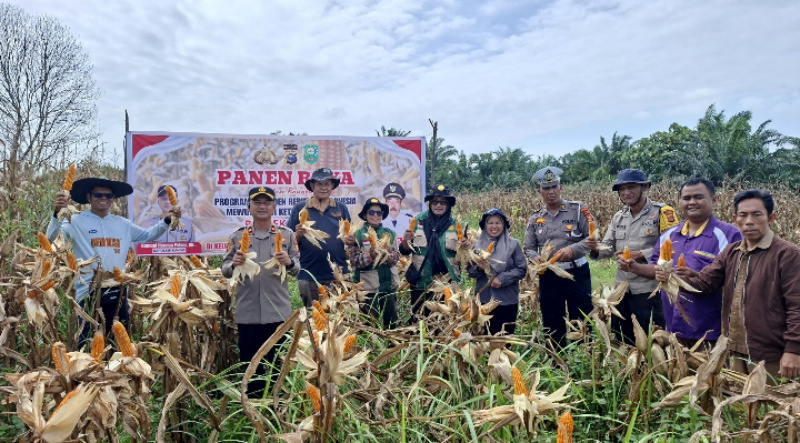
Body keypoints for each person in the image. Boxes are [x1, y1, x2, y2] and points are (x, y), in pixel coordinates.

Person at [657, 189, 800, 381]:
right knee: (738, 406)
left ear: (771, 217)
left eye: (757, 214)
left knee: (772, 405)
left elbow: (797, 306)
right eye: (743, 215)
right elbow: (704, 284)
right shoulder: (732, 252)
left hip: (770, 352)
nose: (749, 221)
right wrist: (676, 279)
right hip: (734, 349)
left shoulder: (787, 255)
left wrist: (793, 350)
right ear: (735, 219)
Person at [48, 177, 174, 342]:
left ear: (113, 199)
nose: (104, 198)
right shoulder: (75, 221)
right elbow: (52, 241)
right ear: (89, 198)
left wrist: (167, 220)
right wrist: (57, 214)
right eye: (98, 195)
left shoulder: (123, 224)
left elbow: (148, 235)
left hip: (118, 289)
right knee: (87, 342)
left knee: (119, 343)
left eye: (108, 196)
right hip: (88, 291)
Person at [623, 178, 741, 348]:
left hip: (711, 330)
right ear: (680, 201)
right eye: (686, 198)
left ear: (714, 200)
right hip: (673, 326)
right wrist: (636, 268)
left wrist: (698, 277)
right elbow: (657, 267)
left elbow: (736, 279)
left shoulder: (729, 235)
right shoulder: (668, 235)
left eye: (698, 197)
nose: (692, 202)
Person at [586, 169, 680, 344]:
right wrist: (595, 248)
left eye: (631, 187)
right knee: (623, 337)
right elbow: (608, 247)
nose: (626, 193)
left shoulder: (662, 212)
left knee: (651, 338)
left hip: (648, 289)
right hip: (622, 290)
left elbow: (673, 246)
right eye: (622, 189)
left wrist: (642, 254)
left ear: (645, 187)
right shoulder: (619, 217)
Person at [222, 186, 300, 396]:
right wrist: (234, 264)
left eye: (267, 202)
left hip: (278, 314)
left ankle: (278, 407)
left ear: (274, 207)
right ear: (249, 207)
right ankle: (252, 409)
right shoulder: (238, 237)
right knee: (250, 367)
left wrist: (289, 262)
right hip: (248, 314)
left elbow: (297, 269)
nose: (262, 206)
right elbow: (225, 269)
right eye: (257, 202)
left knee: (278, 366)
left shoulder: (286, 235)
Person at [523, 167, 593, 347]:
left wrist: (573, 249)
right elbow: (528, 248)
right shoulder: (535, 218)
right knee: (552, 317)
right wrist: (535, 258)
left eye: (554, 186)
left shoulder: (578, 210)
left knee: (582, 315)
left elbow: (592, 238)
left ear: (561, 188)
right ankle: (556, 358)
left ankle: (584, 355)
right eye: (546, 188)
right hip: (549, 274)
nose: (551, 191)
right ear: (540, 192)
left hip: (577, 271)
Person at [400, 184, 471, 319]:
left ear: (449, 205)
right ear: (430, 204)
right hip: (421, 282)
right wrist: (405, 241)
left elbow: (465, 256)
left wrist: (467, 248)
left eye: (443, 202)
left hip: (448, 285)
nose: (438, 205)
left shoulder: (458, 226)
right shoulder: (417, 221)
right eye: (435, 202)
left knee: (444, 323)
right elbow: (404, 251)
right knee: (419, 321)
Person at [287, 168, 352, 307]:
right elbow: (289, 242)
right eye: (319, 184)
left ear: (332, 186)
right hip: (309, 274)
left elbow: (350, 236)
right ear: (312, 186)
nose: (323, 188)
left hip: (338, 275)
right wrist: (297, 234)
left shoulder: (341, 208)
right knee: (314, 319)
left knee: (339, 321)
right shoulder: (300, 208)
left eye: (327, 184)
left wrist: (351, 240)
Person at [468, 208, 527, 336]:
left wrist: (502, 279)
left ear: (504, 225)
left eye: (498, 222)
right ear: (485, 226)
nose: (494, 226)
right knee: (483, 340)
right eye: (490, 223)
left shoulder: (513, 245)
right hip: (483, 300)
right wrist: (478, 268)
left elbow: (521, 269)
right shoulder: (476, 246)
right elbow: (470, 272)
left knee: (504, 340)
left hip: (507, 300)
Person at [349, 197, 400, 328]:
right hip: (368, 289)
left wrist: (386, 255)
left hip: (389, 286)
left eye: (379, 213)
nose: (375, 215)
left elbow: (396, 257)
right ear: (365, 215)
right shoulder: (357, 235)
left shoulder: (390, 234)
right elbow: (354, 260)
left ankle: (392, 346)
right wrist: (370, 256)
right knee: (370, 325)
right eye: (371, 212)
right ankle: (372, 349)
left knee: (391, 324)